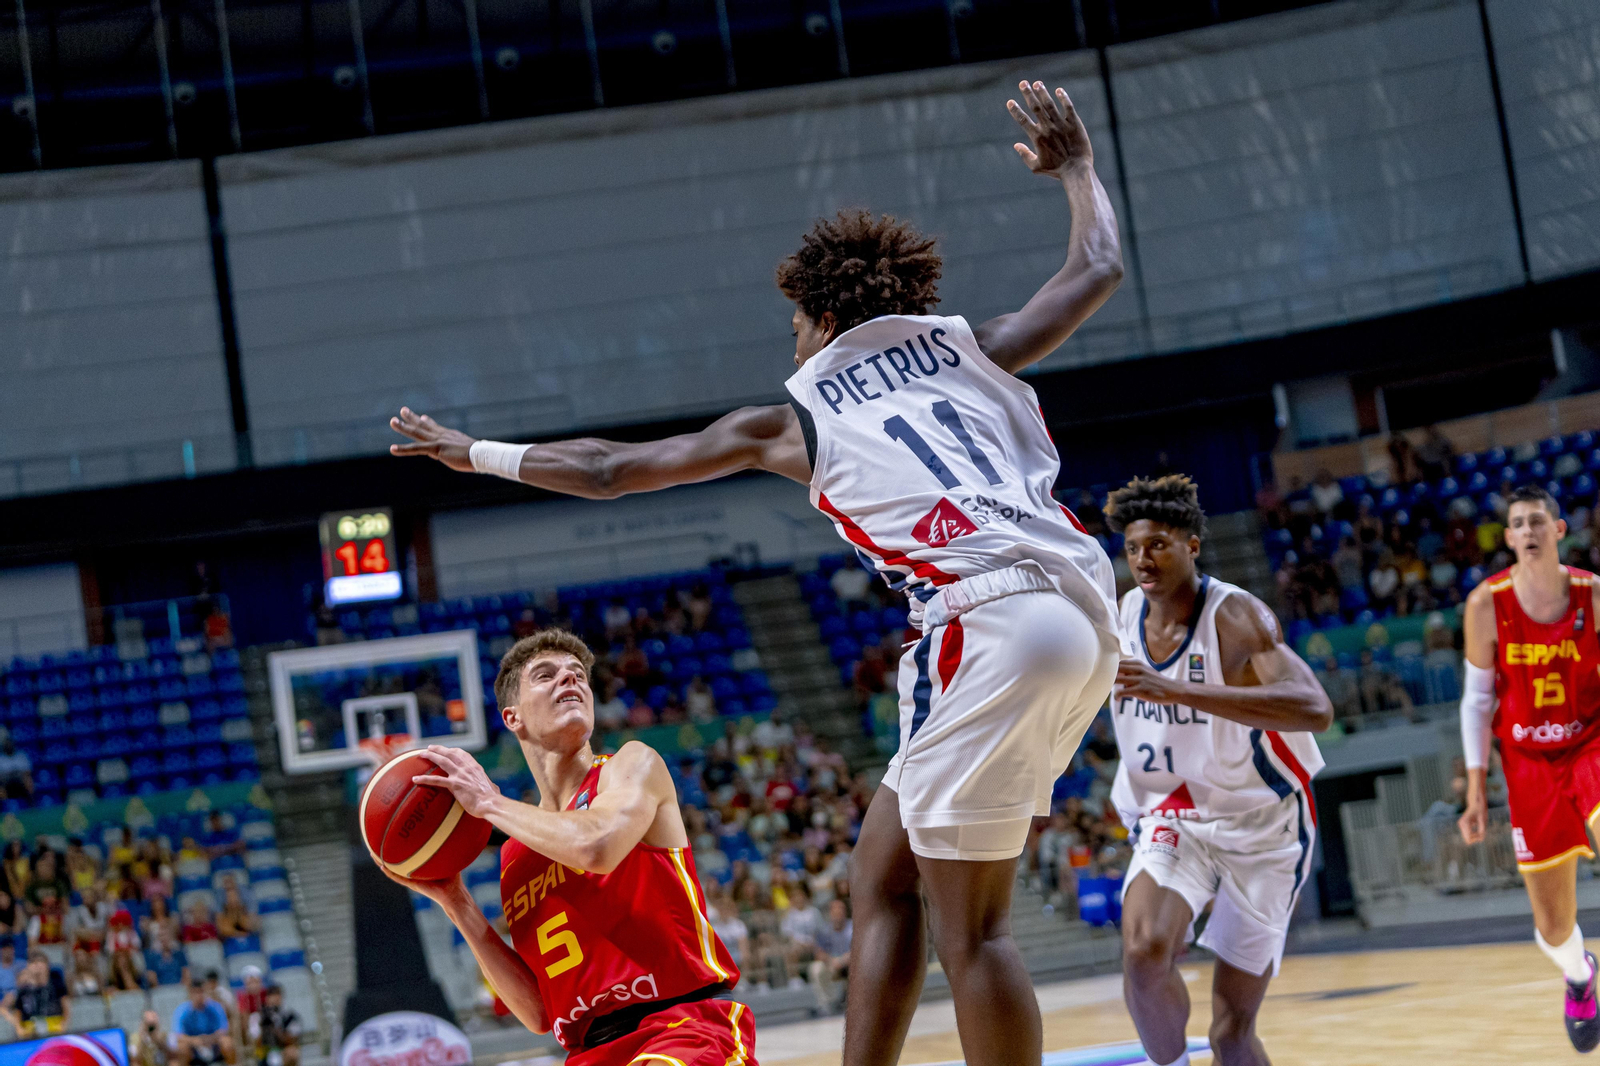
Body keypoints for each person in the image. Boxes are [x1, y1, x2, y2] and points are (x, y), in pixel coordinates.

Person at [389, 78, 1125, 1066]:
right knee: (882, 872)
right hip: (1081, 610)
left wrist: (472, 450)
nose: (793, 344)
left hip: (981, 617)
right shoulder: (974, 346)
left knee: (976, 930)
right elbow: (1097, 266)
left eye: (793, 329)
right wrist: (1076, 169)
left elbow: (610, 469)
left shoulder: (796, 416)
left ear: (820, 318)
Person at [385, 629, 754, 1064]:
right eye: (546, 675)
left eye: (578, 674)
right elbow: (539, 1011)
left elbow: (596, 846)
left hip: (683, 1028)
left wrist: (487, 803)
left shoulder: (630, 765)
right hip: (589, 1052)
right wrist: (456, 902)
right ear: (513, 717)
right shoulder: (516, 854)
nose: (570, 680)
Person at [1104, 475, 1331, 1066]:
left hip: (1263, 823)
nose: (1143, 559)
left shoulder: (1236, 618)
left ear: (1191, 545)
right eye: (1132, 548)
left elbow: (1315, 709)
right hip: (1175, 813)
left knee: (1232, 1031)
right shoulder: (1122, 616)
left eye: (1157, 544)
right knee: (1144, 951)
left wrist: (1179, 690)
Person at [1458, 484, 1600, 1052]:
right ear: (1509, 538)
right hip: (1527, 763)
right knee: (1552, 926)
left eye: (1538, 520)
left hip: (1590, 744)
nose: (1529, 531)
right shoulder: (1485, 605)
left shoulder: (1592, 594)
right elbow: (1475, 702)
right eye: (1518, 523)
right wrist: (1474, 790)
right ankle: (1580, 976)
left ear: (1559, 530)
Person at [1, 953, 70, 1037]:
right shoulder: (23, 989)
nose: (37, 966)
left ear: (47, 965)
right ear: (28, 966)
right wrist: (19, 1027)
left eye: (41, 962)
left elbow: (66, 1006)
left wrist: (64, 1024)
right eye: (33, 963)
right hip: (31, 1030)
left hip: (55, 1027)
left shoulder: (56, 983)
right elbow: (18, 1010)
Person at [171, 976, 236, 1065]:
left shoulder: (215, 1007)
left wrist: (209, 1039)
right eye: (195, 992)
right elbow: (179, 1036)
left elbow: (223, 1030)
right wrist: (195, 1041)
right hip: (193, 1046)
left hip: (213, 1043)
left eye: (201, 992)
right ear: (190, 994)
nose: (199, 996)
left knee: (227, 1043)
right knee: (181, 1048)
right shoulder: (182, 1010)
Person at [809, 898, 853, 1014]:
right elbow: (819, 952)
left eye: (841, 910)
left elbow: (859, 949)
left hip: (852, 962)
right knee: (816, 968)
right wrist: (831, 961)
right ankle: (827, 1003)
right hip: (831, 964)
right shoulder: (824, 930)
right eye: (835, 911)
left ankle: (855, 1002)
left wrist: (842, 960)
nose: (838, 913)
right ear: (830, 913)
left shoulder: (853, 927)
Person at [256, 984, 301, 1066]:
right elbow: (256, 1041)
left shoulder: (290, 1016)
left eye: (277, 995)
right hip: (265, 1053)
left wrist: (276, 1030)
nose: (275, 999)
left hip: (283, 1051)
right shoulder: (259, 1016)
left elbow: (293, 1039)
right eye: (271, 996)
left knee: (292, 1053)